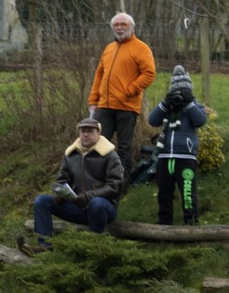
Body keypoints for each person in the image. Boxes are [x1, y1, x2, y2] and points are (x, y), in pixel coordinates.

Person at [21, 118, 124, 254]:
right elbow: (61, 180)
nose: (85, 135)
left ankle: (94, 247)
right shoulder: (71, 155)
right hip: (79, 207)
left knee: (96, 203)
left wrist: (88, 196)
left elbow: (115, 186)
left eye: (90, 131)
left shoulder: (110, 155)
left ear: (99, 133)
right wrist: (59, 193)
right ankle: (44, 247)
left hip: (104, 209)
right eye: (83, 131)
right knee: (41, 201)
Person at [88, 12, 156, 184]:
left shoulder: (141, 48)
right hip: (105, 106)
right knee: (98, 143)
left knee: (124, 147)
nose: (119, 27)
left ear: (131, 27)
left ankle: (121, 182)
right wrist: (93, 101)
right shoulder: (109, 48)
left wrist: (130, 90)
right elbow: (99, 75)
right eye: (116, 25)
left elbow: (149, 73)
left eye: (123, 24)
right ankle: (95, 179)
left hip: (127, 107)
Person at [147, 65, 207, 226]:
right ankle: (164, 222)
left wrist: (189, 102)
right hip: (165, 157)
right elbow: (152, 120)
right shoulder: (168, 107)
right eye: (177, 92)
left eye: (183, 92)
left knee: (188, 193)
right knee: (164, 193)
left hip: (186, 158)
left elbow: (200, 120)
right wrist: (165, 102)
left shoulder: (194, 106)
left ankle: (191, 221)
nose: (179, 96)